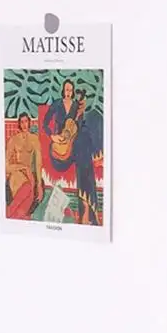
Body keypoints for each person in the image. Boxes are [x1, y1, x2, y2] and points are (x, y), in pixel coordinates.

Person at [42, 81, 102, 225]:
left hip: (74, 144)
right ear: (63, 90)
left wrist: (80, 114)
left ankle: (86, 208)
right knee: (83, 152)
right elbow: (45, 124)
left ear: (73, 91)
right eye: (66, 89)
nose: (68, 92)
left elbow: (78, 127)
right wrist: (52, 136)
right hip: (60, 149)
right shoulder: (57, 104)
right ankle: (89, 207)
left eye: (70, 90)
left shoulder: (76, 105)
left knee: (83, 151)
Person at [4, 114, 42, 219]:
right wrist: (23, 168)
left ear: (29, 122)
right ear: (19, 124)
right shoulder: (13, 140)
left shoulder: (34, 139)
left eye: (26, 121)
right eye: (22, 122)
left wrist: (39, 185)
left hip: (30, 175)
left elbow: (38, 164)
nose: (24, 124)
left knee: (30, 186)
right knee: (26, 186)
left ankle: (11, 215)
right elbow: (5, 166)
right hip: (17, 172)